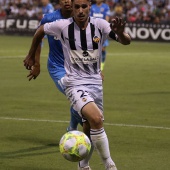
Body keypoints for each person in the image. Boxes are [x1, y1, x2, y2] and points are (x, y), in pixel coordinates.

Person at [23, 0, 131, 169]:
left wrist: (121, 33)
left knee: (89, 124)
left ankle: (83, 165)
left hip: (95, 82)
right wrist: (31, 56)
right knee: (96, 119)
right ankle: (109, 165)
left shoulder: (100, 24)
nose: (80, 10)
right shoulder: (62, 26)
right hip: (74, 82)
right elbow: (40, 31)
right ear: (72, 8)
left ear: (90, 7)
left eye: (84, 6)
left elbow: (126, 41)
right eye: (77, 7)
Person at [23, 0, 93, 169]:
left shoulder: (83, 19)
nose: (67, 1)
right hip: (58, 68)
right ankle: (83, 162)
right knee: (81, 101)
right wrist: (36, 62)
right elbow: (38, 38)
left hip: (78, 68)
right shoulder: (50, 18)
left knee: (81, 99)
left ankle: (71, 126)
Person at [90, 0, 111, 71]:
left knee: (103, 49)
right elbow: (89, 18)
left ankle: (102, 64)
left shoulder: (105, 7)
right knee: (94, 48)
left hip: (102, 31)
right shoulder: (92, 7)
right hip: (94, 31)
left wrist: (105, 28)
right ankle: (94, 64)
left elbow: (107, 18)